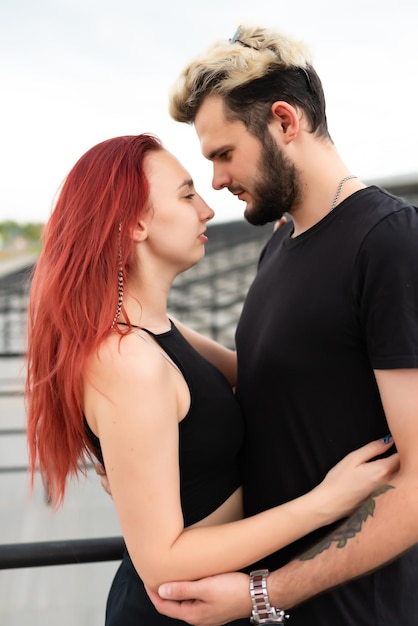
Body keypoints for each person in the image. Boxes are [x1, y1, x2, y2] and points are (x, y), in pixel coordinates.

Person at [24, 133, 397, 625]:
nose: (206, 209)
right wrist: (323, 504)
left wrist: (305, 265)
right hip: (178, 613)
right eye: (185, 194)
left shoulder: (156, 328)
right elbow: (163, 559)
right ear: (135, 223)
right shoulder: (127, 361)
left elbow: (263, 378)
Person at [138, 24, 418, 626]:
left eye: (223, 153)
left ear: (285, 122)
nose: (215, 180)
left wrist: (265, 594)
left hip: (349, 609)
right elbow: (278, 383)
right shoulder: (283, 240)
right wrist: (142, 324)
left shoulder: (389, 243)